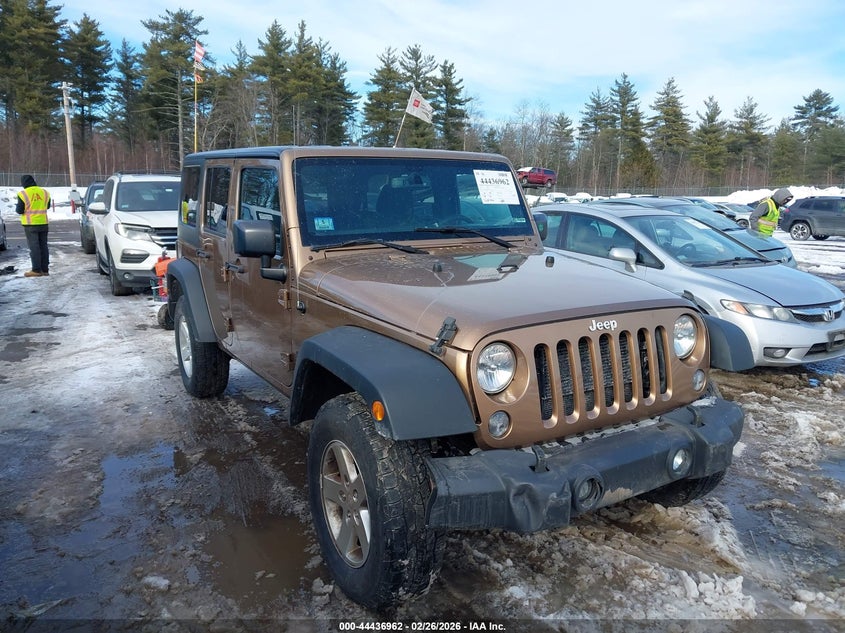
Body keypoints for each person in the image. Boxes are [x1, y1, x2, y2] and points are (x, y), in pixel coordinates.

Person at [16, 174, 52, 277]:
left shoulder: (23, 194)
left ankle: (36, 270)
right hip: (43, 223)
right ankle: (45, 270)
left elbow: (19, 210)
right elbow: (48, 206)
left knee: (34, 247)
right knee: (43, 246)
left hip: (30, 224)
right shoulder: (45, 192)